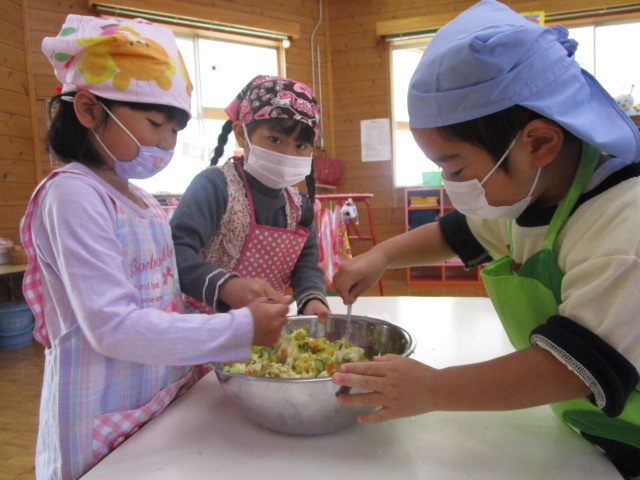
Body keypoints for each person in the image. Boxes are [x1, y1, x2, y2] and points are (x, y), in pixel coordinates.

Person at [330, 1, 640, 477]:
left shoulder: (624, 227)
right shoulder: (533, 194)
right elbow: (458, 232)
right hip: (587, 429)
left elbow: (571, 367)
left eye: (455, 168)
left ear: (539, 143)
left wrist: (433, 389)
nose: (450, 184)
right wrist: (380, 256)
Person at [26, 16, 290, 480]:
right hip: (98, 415)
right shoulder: (72, 196)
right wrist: (237, 331)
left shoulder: (142, 201)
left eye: (175, 132)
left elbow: (163, 302)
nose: (166, 144)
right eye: (155, 124)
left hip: (156, 400)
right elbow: (112, 327)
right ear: (88, 110)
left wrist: (228, 295)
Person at [170, 75, 331, 321]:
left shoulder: (300, 207)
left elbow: (306, 266)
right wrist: (226, 287)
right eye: (275, 140)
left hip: (261, 335)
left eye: (300, 146)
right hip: (203, 330)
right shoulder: (215, 187)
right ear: (241, 134)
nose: (287, 153)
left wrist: (313, 299)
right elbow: (176, 252)